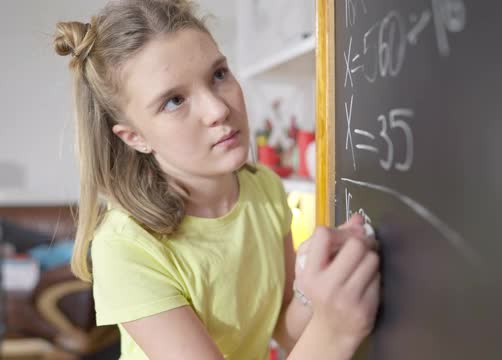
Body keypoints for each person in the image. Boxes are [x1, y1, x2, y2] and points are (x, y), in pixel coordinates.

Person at [53, 0, 380, 359]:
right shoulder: (126, 247)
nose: (219, 109)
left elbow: (285, 333)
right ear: (135, 137)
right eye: (174, 101)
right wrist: (336, 332)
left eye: (219, 75)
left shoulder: (265, 190)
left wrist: (316, 286)